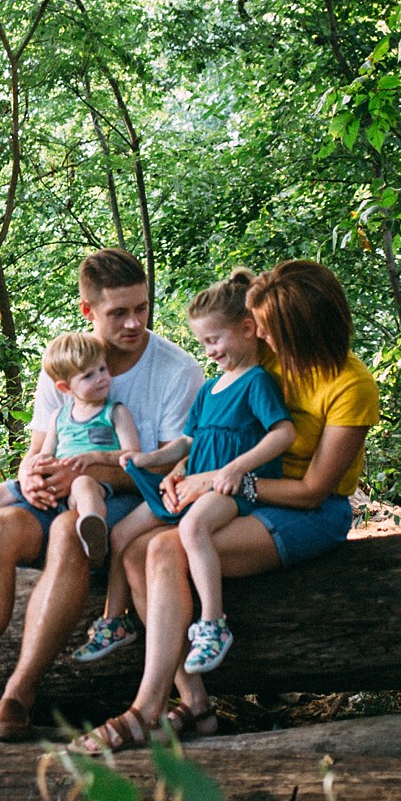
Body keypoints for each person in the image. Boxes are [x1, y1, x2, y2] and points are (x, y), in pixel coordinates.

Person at [74, 259, 379, 753]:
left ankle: (146, 710)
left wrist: (218, 482)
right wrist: (181, 475)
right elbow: (214, 430)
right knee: (134, 551)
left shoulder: (350, 385)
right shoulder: (266, 360)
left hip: (306, 511)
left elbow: (313, 490)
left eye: (268, 327)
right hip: (238, 493)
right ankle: (193, 703)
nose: (257, 333)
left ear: (297, 329)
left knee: (165, 550)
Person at [0, 247, 204, 742]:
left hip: (128, 502)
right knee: (0, 524)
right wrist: (30, 473)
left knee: (70, 530)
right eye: (119, 313)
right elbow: (40, 442)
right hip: (58, 493)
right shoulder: (66, 362)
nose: (135, 323)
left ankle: (16, 697)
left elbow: (173, 468)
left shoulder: (177, 371)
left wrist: (94, 477)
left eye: (142, 308)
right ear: (89, 311)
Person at [110, 268, 295, 674]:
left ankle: (212, 624)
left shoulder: (257, 382)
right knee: (122, 532)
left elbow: (283, 432)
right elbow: (186, 443)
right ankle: (114, 619)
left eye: (214, 340)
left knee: (193, 528)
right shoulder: (210, 389)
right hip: (193, 483)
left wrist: (236, 468)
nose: (208, 350)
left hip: (227, 491)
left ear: (248, 329)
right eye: (203, 342)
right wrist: (148, 460)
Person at [32, 331, 142, 567]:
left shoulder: (114, 412)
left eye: (102, 369)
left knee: (83, 484)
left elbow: (132, 454)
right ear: (65, 388)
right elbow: (46, 451)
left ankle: (94, 531)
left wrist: (96, 457)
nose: (101, 378)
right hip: (58, 486)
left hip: (95, 483)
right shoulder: (59, 417)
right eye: (89, 375)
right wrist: (36, 468)